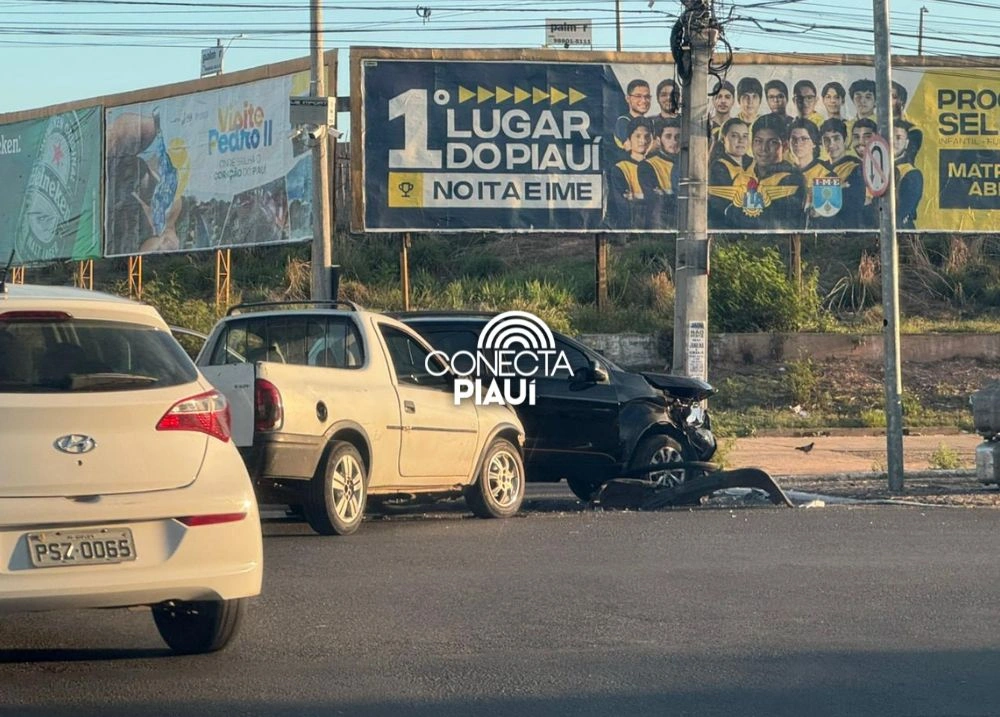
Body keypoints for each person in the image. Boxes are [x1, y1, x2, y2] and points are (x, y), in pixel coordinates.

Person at [749, 114, 806, 229]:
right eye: (758, 141)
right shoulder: (747, 173)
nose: (764, 149)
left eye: (772, 142)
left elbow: (779, 224)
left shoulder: (791, 179)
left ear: (784, 146)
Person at [708, 117, 756, 229]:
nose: (741, 140)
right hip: (728, 226)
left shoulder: (755, 163)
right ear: (723, 139)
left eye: (745, 136)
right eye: (734, 136)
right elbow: (722, 205)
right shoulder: (718, 167)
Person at [789, 118, 838, 228]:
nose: (798, 143)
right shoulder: (785, 171)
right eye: (794, 139)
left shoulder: (826, 175)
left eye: (804, 139)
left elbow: (828, 217)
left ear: (814, 143)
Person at [608, 117, 653, 229]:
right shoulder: (620, 168)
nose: (643, 141)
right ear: (629, 139)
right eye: (637, 136)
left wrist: (637, 196)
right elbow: (622, 203)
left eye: (647, 136)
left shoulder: (657, 164)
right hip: (630, 227)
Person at [639, 117, 681, 230]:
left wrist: (668, 194)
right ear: (658, 140)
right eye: (668, 137)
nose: (674, 141)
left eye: (678, 137)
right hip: (660, 226)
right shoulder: (647, 165)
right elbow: (656, 199)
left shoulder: (688, 163)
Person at [894, 120, 923, 230]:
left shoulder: (911, 174)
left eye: (898, 138)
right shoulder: (875, 167)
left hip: (902, 232)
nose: (893, 142)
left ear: (906, 143)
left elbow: (902, 213)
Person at [614, 79, 653, 151]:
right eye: (638, 96)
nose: (644, 100)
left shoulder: (649, 122)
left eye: (647, 96)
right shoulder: (623, 121)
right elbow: (631, 149)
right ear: (628, 98)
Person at [891, 80, 923, 163]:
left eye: (893, 97)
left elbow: (908, 159)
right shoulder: (873, 126)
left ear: (901, 102)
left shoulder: (913, 131)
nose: (887, 100)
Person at [710, 80, 736, 144]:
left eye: (727, 97)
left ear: (733, 101)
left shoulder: (737, 126)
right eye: (719, 97)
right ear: (713, 100)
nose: (723, 101)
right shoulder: (706, 125)